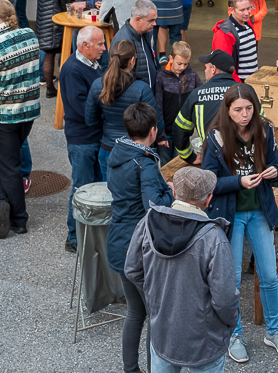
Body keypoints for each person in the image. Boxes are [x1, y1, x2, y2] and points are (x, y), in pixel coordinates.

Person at [201, 84, 278, 361]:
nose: (245, 114)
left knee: (269, 275)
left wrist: (274, 170)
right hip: (231, 215)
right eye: (238, 109)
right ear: (227, 111)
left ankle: (273, 332)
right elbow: (209, 182)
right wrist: (238, 182)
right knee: (232, 280)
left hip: (259, 211)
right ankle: (234, 334)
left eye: (249, 108)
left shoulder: (264, 130)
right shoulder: (216, 138)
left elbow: (275, 164)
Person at [125, 166, 238, 373]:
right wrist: (230, 324)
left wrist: (156, 301)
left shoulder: (148, 222)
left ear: (174, 192)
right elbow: (225, 298)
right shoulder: (214, 237)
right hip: (205, 341)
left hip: (163, 333)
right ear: (208, 199)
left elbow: (132, 270)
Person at [105, 102, 174, 373]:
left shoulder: (118, 152)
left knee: (135, 312)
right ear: (153, 131)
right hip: (139, 249)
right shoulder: (144, 163)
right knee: (154, 315)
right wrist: (169, 193)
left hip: (117, 240)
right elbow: (153, 206)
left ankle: (132, 370)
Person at [0, 0, 41, 239]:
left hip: (4, 114)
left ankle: (19, 219)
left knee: (9, 166)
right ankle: (0, 202)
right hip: (28, 110)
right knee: (5, 162)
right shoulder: (30, 35)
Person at [86, 39, 167, 177]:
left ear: (111, 59)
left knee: (109, 190)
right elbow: (156, 122)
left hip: (108, 149)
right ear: (132, 60)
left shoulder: (97, 85)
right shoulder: (141, 89)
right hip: (136, 152)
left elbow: (90, 120)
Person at [60, 25, 106, 252]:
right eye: (100, 44)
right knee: (82, 189)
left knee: (96, 187)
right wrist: (106, 110)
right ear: (85, 46)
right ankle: (74, 239)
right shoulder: (72, 71)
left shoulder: (93, 63)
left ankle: (92, 235)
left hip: (95, 137)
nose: (104, 48)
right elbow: (81, 108)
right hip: (83, 141)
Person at [173, 50, 238, 164]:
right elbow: (264, 126)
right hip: (244, 161)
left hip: (213, 161)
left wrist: (189, 157)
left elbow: (179, 128)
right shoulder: (246, 91)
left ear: (213, 69)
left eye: (206, 67)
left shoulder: (196, 95)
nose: (205, 70)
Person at [32, 0, 73, 97]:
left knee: (48, 55)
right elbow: (64, 2)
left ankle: (50, 88)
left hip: (43, 20)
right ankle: (66, 86)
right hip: (57, 21)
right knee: (66, 53)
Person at [154, 41, 202, 163]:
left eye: (185, 64)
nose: (182, 67)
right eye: (179, 63)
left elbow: (201, 99)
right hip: (166, 133)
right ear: (171, 58)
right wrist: (160, 134)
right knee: (165, 165)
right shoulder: (161, 77)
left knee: (180, 164)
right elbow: (157, 106)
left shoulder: (192, 76)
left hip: (183, 133)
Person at [211, 0, 259, 84]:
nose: (247, 13)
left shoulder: (248, 24)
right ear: (232, 10)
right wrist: (238, 84)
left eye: (248, 8)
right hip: (239, 83)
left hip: (252, 80)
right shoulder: (224, 33)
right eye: (242, 10)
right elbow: (224, 65)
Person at [110, 0, 159, 88]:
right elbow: (120, 79)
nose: (155, 24)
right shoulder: (123, 40)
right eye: (151, 20)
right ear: (138, 19)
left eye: (155, 20)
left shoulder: (145, 33)